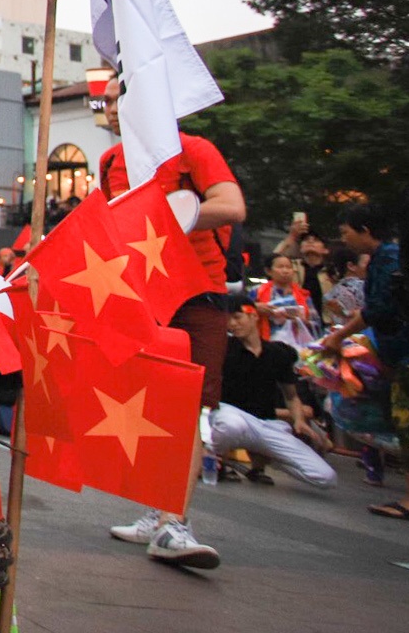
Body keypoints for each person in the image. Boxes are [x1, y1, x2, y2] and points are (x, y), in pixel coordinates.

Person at [98, 76, 247, 569]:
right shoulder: (109, 162)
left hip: (198, 292)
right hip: (143, 295)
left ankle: (175, 523)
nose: (112, 109)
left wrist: (171, 215)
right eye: (108, 102)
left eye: (121, 100)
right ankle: (154, 510)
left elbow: (232, 205)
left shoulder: (195, 150)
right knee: (148, 404)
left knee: (189, 409)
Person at [322, 204, 409, 523]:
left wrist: (340, 336)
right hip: (403, 353)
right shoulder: (386, 258)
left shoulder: (390, 258)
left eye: (346, 231)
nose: (344, 238)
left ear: (365, 230)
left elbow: (382, 309)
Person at [211, 294, 336, 489]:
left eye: (237, 317)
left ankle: (268, 459)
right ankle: (212, 458)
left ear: (254, 316)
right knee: (230, 425)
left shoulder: (277, 353)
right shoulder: (222, 349)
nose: (232, 324)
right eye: (227, 320)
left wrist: (299, 421)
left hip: (267, 424)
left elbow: (291, 396)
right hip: (231, 416)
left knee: (325, 477)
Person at [257, 253, 317, 348]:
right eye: (280, 267)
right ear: (268, 271)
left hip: (298, 344)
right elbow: (244, 312)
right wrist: (256, 307)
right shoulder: (257, 292)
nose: (285, 271)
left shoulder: (303, 295)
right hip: (267, 343)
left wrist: (303, 322)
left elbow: (316, 323)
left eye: (289, 267)